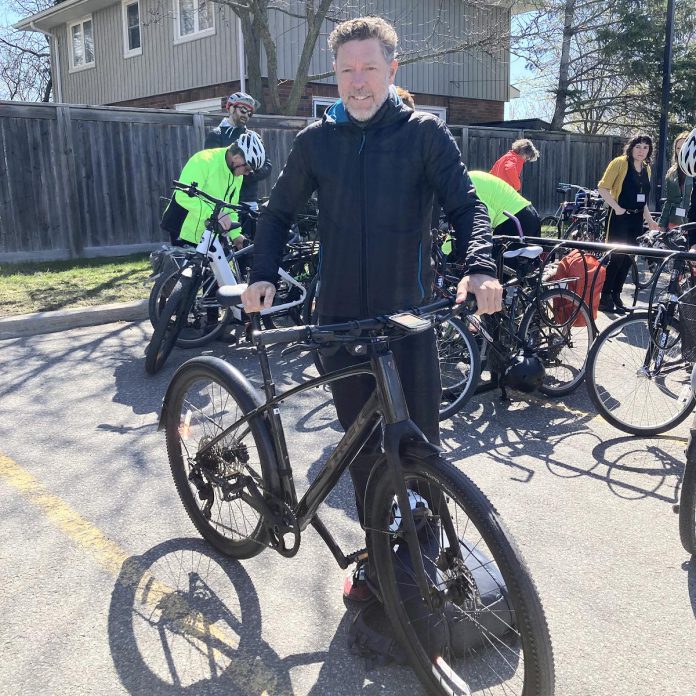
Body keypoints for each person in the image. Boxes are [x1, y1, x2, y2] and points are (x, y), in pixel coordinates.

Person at [241, 16, 502, 603]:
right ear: (334, 75)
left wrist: (480, 266)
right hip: (338, 324)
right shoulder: (315, 143)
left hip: (407, 321)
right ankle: (376, 556)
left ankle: (423, 556)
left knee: (417, 448)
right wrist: (261, 275)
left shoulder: (424, 137)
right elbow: (278, 213)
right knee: (360, 450)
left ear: (392, 70)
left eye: (369, 68)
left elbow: (468, 207)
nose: (357, 82)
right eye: (346, 71)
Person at [160, 131, 266, 249]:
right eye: (247, 169)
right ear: (236, 158)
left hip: (208, 234)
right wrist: (214, 214)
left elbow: (231, 206)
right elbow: (182, 196)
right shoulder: (203, 160)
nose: (247, 173)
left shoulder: (236, 174)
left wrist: (235, 235)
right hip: (183, 230)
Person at [597, 133, 660, 313]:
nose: (641, 151)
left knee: (628, 259)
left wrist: (650, 221)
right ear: (631, 147)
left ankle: (617, 295)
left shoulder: (646, 168)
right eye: (638, 146)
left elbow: (643, 200)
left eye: (645, 147)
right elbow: (603, 187)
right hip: (619, 217)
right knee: (616, 257)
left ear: (649, 150)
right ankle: (605, 297)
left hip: (636, 218)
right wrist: (616, 208)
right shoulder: (619, 163)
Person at [204, 91, 273, 236]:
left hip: (249, 201)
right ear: (230, 108)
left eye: (250, 113)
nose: (246, 115)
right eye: (243, 110)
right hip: (224, 202)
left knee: (248, 248)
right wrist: (239, 172)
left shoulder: (254, 137)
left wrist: (247, 173)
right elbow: (215, 167)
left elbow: (267, 166)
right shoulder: (216, 135)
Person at [468, 170, 541, 237]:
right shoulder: (469, 178)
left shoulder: (467, 187)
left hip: (515, 219)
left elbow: (484, 218)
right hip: (523, 213)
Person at [658, 131, 694, 233]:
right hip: (673, 223)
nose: (681, 150)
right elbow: (669, 202)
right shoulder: (671, 172)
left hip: (692, 224)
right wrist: (662, 225)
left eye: (684, 146)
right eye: (678, 148)